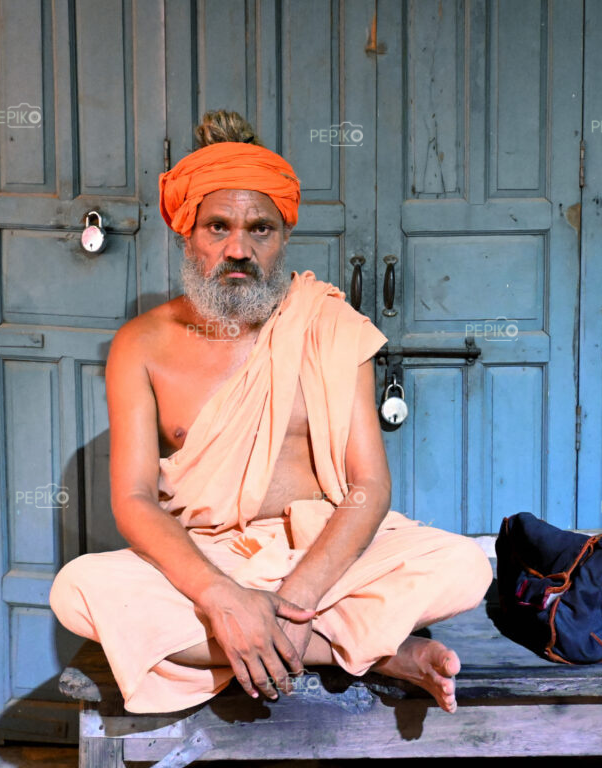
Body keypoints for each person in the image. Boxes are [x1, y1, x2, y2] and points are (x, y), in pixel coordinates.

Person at [50, 110, 493, 715]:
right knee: (80, 590)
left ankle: (270, 635)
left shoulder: (331, 325)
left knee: (466, 565)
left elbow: (369, 485)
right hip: (209, 555)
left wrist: (299, 597)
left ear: (283, 235)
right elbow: (132, 500)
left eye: (259, 229)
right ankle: (380, 650)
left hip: (325, 558)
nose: (239, 248)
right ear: (187, 234)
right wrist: (220, 594)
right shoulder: (141, 344)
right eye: (218, 228)